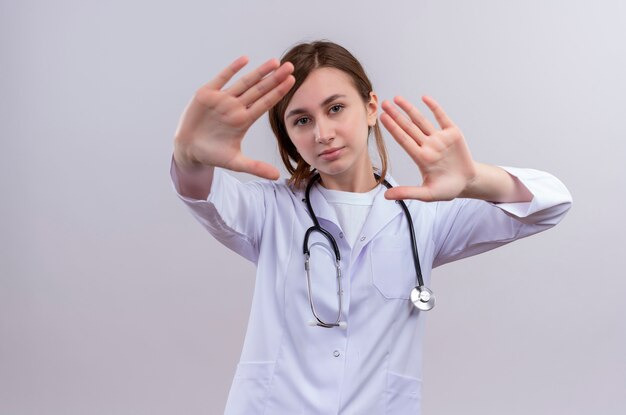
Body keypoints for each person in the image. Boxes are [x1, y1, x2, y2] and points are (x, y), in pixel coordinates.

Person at [170, 41, 572, 414]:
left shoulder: (422, 214)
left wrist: (473, 180)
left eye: (335, 108)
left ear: (371, 107)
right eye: (302, 120)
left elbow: (551, 203)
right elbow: (201, 192)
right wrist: (190, 156)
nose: (322, 133)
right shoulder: (269, 211)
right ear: (290, 137)